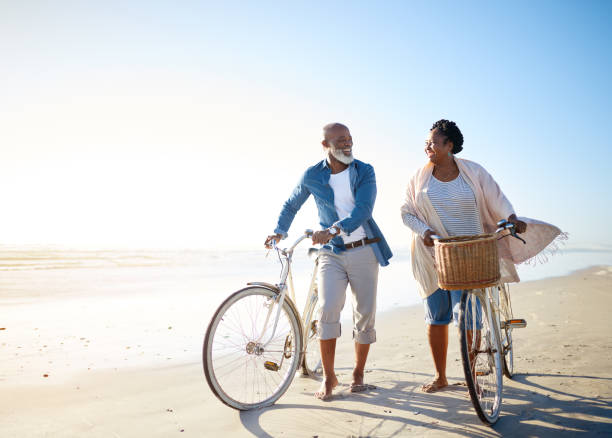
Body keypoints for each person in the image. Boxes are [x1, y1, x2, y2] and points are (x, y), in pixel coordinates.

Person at [400, 119, 562, 393]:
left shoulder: (473, 172)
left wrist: (510, 216)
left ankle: (473, 375)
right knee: (437, 317)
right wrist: (425, 231)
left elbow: (496, 197)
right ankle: (440, 376)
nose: (427, 146)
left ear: (449, 145)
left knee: (468, 318)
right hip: (433, 255)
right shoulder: (419, 177)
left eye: (433, 141)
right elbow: (406, 212)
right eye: (426, 141)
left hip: (470, 253)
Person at [265, 122, 392, 400]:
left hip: (363, 249)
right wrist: (279, 230)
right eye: (340, 141)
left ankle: (358, 373)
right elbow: (291, 204)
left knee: (364, 314)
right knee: (328, 309)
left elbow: (363, 209)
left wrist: (333, 228)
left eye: (349, 139)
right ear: (326, 146)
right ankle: (330, 377)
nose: (347, 144)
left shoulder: (364, 171)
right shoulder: (312, 174)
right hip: (331, 253)